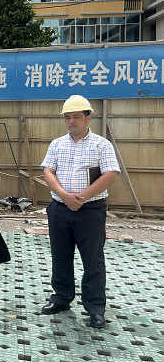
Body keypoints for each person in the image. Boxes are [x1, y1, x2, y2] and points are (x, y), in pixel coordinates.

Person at [40, 95, 120, 329]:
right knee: (60, 256)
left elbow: (110, 175)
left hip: (91, 211)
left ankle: (95, 308)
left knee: (93, 260)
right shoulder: (57, 144)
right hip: (59, 209)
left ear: (88, 118)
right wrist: (64, 196)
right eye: (67, 117)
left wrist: (81, 197)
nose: (71, 121)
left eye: (76, 116)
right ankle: (61, 298)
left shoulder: (101, 145)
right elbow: (48, 171)